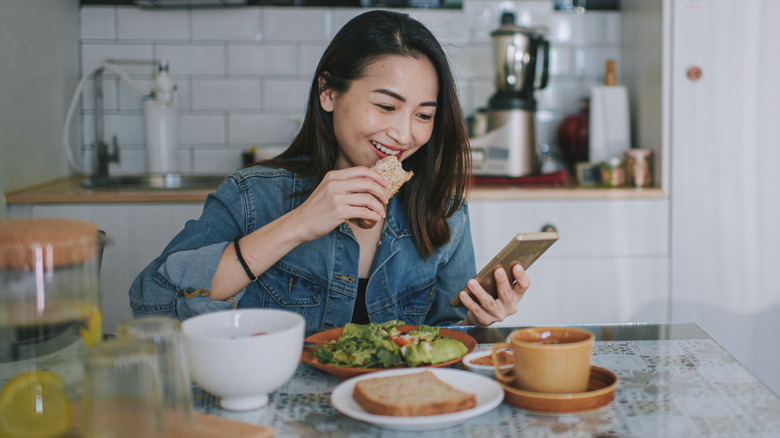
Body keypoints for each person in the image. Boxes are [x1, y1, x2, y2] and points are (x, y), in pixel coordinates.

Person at [129, 10, 530, 329]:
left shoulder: (442, 209)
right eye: (387, 106)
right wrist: (300, 223)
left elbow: (445, 332)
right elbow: (153, 304)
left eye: (423, 115)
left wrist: (477, 323)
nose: (404, 135)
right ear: (328, 93)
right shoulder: (252, 196)